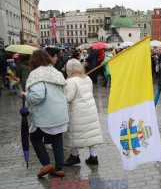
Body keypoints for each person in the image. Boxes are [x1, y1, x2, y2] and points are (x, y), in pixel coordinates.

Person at [20, 49, 68, 177]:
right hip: (59, 112)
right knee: (57, 140)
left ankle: (46, 165)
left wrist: (25, 94)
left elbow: (37, 96)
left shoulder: (36, 74)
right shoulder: (55, 72)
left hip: (47, 114)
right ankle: (59, 169)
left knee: (35, 137)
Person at [63, 59, 104, 166]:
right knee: (92, 134)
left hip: (77, 112)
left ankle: (74, 156)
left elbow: (68, 98)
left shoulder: (70, 81)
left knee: (73, 134)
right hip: (90, 110)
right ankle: (93, 157)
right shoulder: (87, 78)